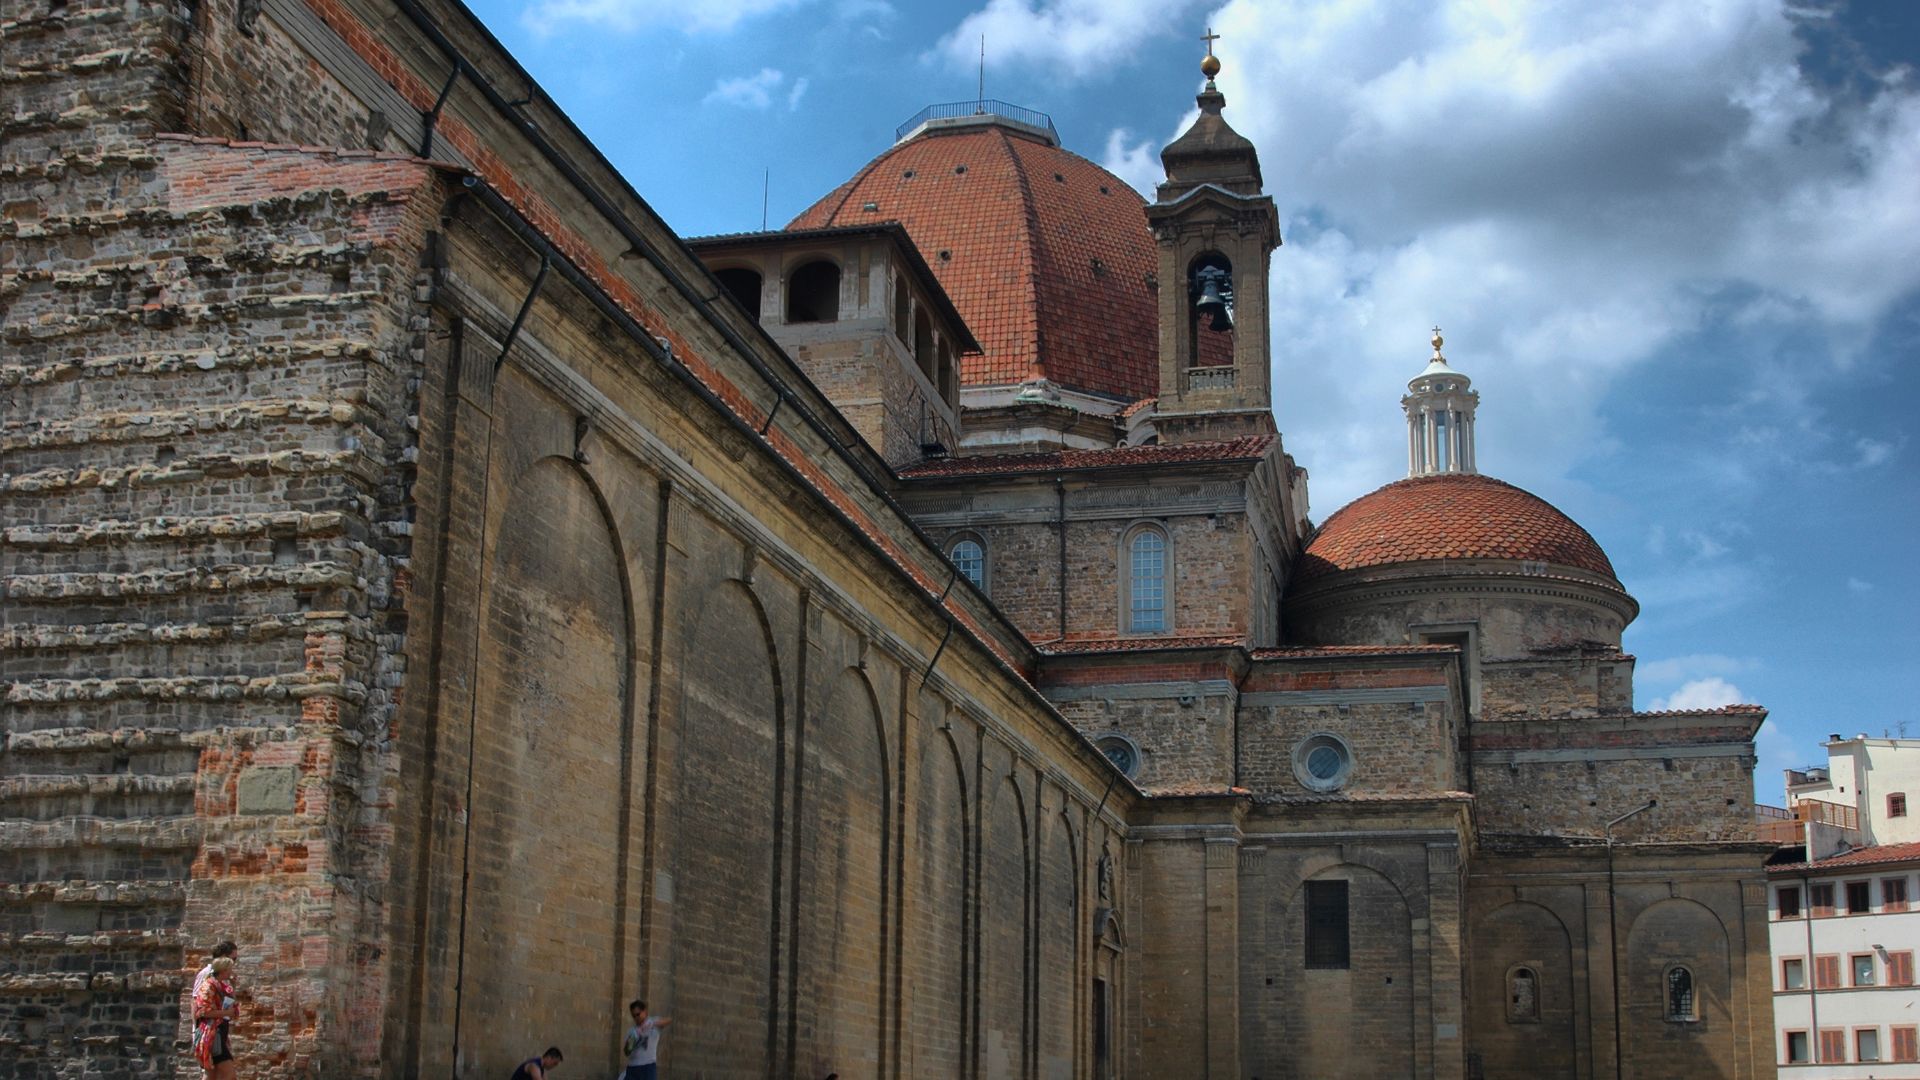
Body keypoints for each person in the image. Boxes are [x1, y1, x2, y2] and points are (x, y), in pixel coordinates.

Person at [191, 954, 238, 1078]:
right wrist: (226, 1013)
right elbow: (203, 1011)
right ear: (223, 970)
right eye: (230, 969)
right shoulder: (208, 986)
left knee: (212, 1074)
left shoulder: (222, 986)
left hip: (219, 1033)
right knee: (229, 1073)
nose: (231, 972)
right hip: (211, 1035)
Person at [620, 1000, 672, 1079]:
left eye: (638, 1014)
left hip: (648, 1066)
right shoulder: (632, 1031)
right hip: (633, 1067)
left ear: (645, 1011)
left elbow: (669, 1020)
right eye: (633, 1016)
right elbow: (626, 1052)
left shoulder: (653, 1022)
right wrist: (633, 1039)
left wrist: (652, 1024)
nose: (636, 1018)